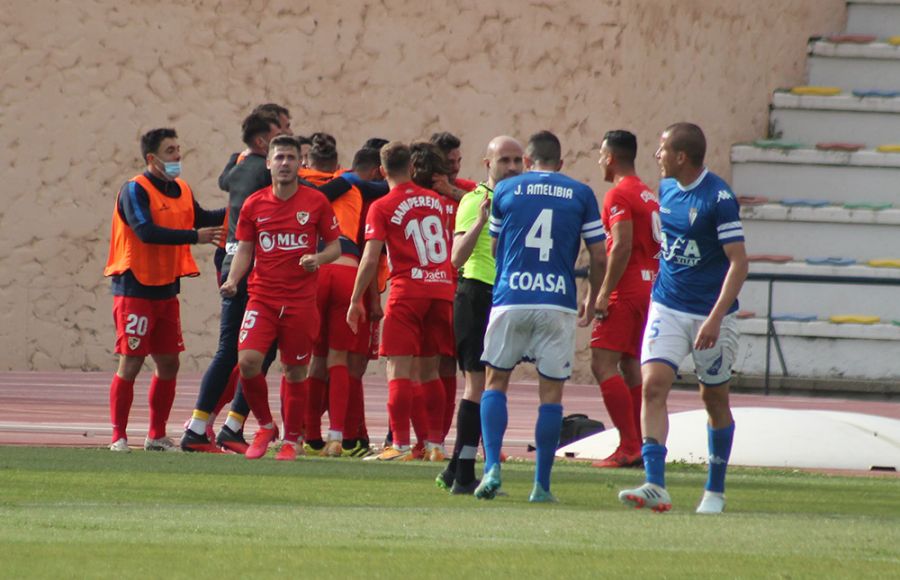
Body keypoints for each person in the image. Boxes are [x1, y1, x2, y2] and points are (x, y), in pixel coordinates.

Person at [618, 123, 748, 514]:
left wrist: (714, 318)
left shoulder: (719, 198)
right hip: (668, 305)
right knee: (653, 386)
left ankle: (715, 490)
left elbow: (739, 263)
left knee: (714, 398)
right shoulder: (667, 189)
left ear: (681, 157)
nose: (656, 156)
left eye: (662, 150)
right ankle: (655, 484)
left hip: (710, 314)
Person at [475, 130, 607, 502]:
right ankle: (541, 486)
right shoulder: (581, 193)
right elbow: (599, 255)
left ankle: (492, 470)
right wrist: (593, 297)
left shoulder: (506, 190)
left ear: (528, 162)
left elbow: (497, 247)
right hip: (557, 301)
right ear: (560, 163)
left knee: (495, 380)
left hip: (512, 296)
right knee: (551, 392)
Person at [219, 135, 341, 460]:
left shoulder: (315, 202)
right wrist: (233, 280)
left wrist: (319, 259)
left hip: (301, 302)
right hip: (263, 298)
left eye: (291, 157)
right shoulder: (254, 204)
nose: (285, 163)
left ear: (300, 163)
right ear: (269, 163)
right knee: (247, 361)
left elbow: (335, 246)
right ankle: (265, 424)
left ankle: (291, 439)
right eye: (279, 157)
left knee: (295, 370)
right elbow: (245, 247)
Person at [104, 128, 224, 452]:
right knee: (131, 360)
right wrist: (193, 237)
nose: (177, 156)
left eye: (178, 149)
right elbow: (144, 231)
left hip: (166, 289)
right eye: (170, 151)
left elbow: (201, 218)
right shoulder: (134, 189)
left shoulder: (181, 188)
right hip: (135, 287)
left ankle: (156, 435)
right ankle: (118, 435)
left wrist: (240, 207)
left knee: (169, 362)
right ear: (152, 158)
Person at [346, 141, 455, 461]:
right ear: (411, 167)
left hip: (408, 292)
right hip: (441, 289)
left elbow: (369, 259)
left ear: (381, 172)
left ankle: (401, 445)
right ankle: (434, 445)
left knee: (399, 370)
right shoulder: (436, 200)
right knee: (430, 371)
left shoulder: (381, 205)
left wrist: (356, 300)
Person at [180, 111, 282, 452]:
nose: (289, 135)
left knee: (248, 352)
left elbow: (225, 182)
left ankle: (216, 425)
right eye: (282, 129)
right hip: (248, 268)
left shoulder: (240, 166)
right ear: (262, 141)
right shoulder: (261, 174)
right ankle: (209, 427)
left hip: (235, 262)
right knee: (248, 352)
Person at [435, 135, 524, 494]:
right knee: (479, 385)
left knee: (491, 385)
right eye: (505, 160)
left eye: (519, 160)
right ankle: (466, 474)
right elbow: (456, 258)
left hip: (506, 298)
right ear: (488, 164)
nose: (514, 168)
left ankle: (456, 468)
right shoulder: (476, 201)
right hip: (476, 295)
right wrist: (480, 223)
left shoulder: (522, 202)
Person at [590, 130, 661, 468]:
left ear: (610, 157)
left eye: (601, 155)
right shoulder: (648, 195)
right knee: (630, 364)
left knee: (601, 362)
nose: (599, 161)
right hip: (651, 288)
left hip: (627, 288)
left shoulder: (618, 194)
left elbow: (621, 244)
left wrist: (603, 293)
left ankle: (629, 444)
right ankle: (641, 445)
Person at [297, 134, 364, 457]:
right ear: (336, 165)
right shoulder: (350, 186)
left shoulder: (298, 185)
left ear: (307, 162)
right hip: (348, 268)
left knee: (310, 360)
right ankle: (336, 436)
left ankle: (307, 435)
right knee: (339, 359)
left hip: (315, 267)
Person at [429, 132, 478, 446]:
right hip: (428, 286)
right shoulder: (421, 191)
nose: (456, 168)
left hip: (460, 287)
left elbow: (492, 204)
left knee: (457, 364)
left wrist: (452, 191)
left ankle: (443, 437)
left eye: (459, 162)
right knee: (422, 364)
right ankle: (419, 437)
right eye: (449, 163)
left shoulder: (468, 190)